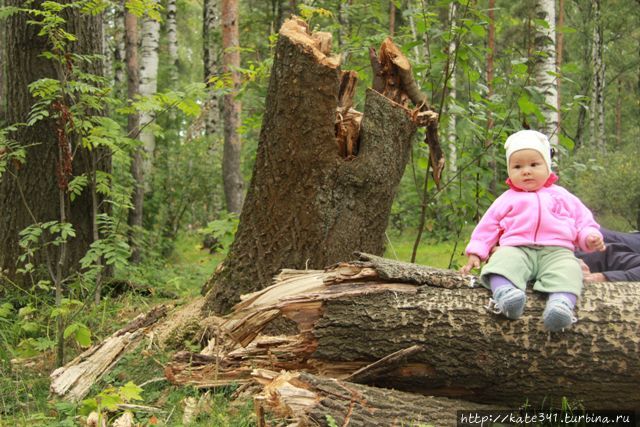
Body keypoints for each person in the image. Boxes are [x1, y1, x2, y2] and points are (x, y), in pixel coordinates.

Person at [460, 130, 605, 332]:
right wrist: (476, 251)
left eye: (534, 164)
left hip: (557, 251)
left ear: (547, 166)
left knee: (570, 271)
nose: (526, 171)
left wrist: (589, 237)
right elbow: (488, 225)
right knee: (500, 263)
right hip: (517, 248)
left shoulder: (561, 195)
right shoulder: (507, 198)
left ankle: (560, 305)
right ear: (509, 170)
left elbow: (582, 221)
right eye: (517, 166)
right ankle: (506, 295)